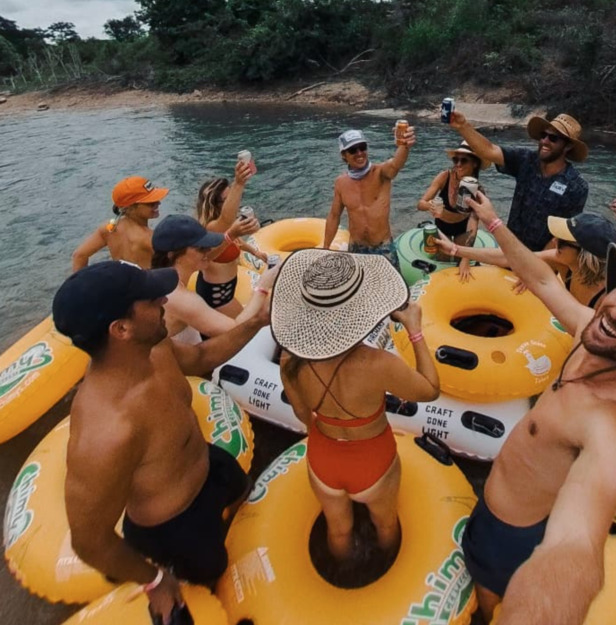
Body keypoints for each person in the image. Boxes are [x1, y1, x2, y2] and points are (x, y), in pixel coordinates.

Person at [460, 191, 616, 625]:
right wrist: (492, 221)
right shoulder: (589, 329)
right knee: (479, 580)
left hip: (519, 535)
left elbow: (574, 547)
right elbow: (541, 280)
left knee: (490, 601)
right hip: (493, 503)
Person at [52, 260, 272, 623]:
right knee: (205, 577)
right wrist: (155, 579)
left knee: (239, 487)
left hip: (205, 462)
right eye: (151, 299)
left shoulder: (154, 347)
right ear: (121, 328)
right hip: (173, 526)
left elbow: (202, 356)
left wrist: (255, 322)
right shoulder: (107, 431)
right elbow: (89, 541)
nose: (164, 302)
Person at [272, 250, 439, 561]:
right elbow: (430, 390)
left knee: (337, 530)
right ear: (359, 310)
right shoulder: (376, 364)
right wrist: (415, 331)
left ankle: (345, 577)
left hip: (323, 455)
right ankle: (385, 570)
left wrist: (324, 434)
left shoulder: (290, 360)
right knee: (386, 523)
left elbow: (301, 415)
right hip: (372, 458)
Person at [448, 111, 589, 251]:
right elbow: (489, 151)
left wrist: (536, 264)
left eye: (553, 138)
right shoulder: (526, 160)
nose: (545, 141)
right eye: (543, 135)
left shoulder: (576, 186)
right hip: (509, 251)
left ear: (568, 146)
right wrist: (463, 126)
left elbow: (564, 235)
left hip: (542, 262)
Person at [433, 212, 616, 308]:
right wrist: (456, 250)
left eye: (562, 241)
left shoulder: (609, 298)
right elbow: (509, 257)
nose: (554, 241)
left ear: (584, 256)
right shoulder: (564, 262)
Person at [151, 215, 276, 344]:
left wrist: (230, 237)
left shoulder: (161, 279)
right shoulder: (182, 299)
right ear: (173, 255)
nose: (208, 250)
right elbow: (234, 330)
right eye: (201, 248)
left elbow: (207, 257)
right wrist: (263, 286)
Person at [324, 127, 416, 270]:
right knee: (359, 290)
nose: (359, 153)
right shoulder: (340, 183)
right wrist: (325, 247)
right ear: (344, 155)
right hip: (356, 249)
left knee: (391, 289)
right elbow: (334, 216)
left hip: (383, 247)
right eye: (353, 150)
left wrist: (404, 145)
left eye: (362, 147)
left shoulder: (381, 173)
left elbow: (396, 163)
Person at [195, 161, 265, 318]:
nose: (233, 203)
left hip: (226, 289)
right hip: (217, 294)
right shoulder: (211, 227)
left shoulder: (225, 226)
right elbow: (227, 224)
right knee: (246, 328)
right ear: (215, 204)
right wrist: (239, 183)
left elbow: (236, 242)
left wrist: (255, 252)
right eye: (227, 200)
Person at [417, 140, 487, 281]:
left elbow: (473, 224)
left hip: (462, 229)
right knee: (443, 264)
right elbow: (420, 204)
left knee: (459, 262)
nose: (458, 164)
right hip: (442, 228)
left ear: (475, 163)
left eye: (464, 160)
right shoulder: (444, 177)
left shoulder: (478, 190)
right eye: (456, 159)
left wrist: (466, 259)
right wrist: (430, 206)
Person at [71, 176, 169, 271]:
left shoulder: (109, 228)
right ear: (130, 207)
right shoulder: (151, 238)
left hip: (121, 285)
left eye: (157, 199)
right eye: (151, 203)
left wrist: (81, 286)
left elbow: (79, 256)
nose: (158, 203)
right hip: (148, 286)